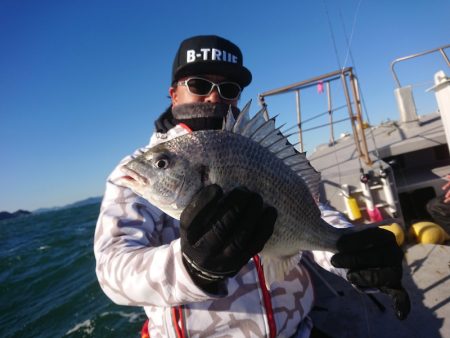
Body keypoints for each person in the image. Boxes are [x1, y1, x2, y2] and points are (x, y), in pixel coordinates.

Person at [94, 35, 409, 338]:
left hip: (298, 330)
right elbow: (112, 270)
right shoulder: (138, 170)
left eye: (228, 88)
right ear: (174, 93)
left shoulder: (254, 149)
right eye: (199, 84)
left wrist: (352, 252)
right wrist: (191, 266)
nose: (215, 96)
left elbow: (308, 212)